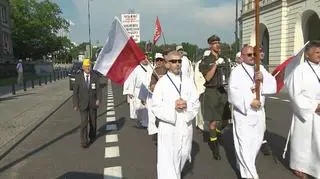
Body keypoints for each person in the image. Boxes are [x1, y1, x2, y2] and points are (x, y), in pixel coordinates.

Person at [228, 46, 276, 179]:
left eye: (254, 54)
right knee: (244, 144)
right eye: (249, 55)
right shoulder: (236, 72)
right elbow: (233, 92)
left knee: (256, 143)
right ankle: (250, 175)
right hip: (244, 113)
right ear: (242, 57)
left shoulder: (260, 69)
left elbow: (272, 86)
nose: (252, 57)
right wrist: (249, 101)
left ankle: (243, 164)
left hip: (259, 112)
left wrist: (263, 78)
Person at [152, 50, 200, 179]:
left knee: (184, 153)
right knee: (168, 158)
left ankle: (175, 175)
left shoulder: (188, 81)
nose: (177, 64)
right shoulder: (162, 83)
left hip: (185, 122)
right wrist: (173, 107)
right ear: (167, 64)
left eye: (179, 61)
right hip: (169, 126)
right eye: (173, 61)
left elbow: (195, 102)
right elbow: (155, 106)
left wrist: (187, 105)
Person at [285, 41, 320, 179]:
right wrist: (314, 106)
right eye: (317, 52)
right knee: (303, 141)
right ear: (307, 54)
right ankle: (299, 166)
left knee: (317, 141)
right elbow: (294, 94)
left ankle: (315, 167)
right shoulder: (300, 71)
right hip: (306, 111)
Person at [199, 35, 231, 160]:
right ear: (210, 46)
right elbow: (207, 77)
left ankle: (215, 135)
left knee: (224, 120)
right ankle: (215, 146)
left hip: (223, 91)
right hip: (212, 91)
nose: (218, 45)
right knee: (213, 121)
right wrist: (215, 65)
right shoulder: (206, 60)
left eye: (219, 42)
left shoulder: (224, 59)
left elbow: (229, 75)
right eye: (215, 43)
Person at [73, 59, 102, 148]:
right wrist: (75, 104)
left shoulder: (95, 76)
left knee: (93, 122)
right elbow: (75, 92)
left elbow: (99, 90)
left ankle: (92, 136)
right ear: (83, 67)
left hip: (93, 103)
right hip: (83, 104)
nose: (87, 68)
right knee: (84, 123)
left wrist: (98, 99)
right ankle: (84, 141)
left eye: (89, 66)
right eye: (86, 66)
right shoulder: (78, 77)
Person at [123, 54, 153, 128]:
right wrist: (130, 91)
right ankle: (139, 120)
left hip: (149, 90)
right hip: (138, 90)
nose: (145, 60)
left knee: (148, 107)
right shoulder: (136, 68)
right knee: (139, 107)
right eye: (144, 58)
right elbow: (132, 80)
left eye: (147, 58)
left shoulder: (151, 67)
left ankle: (146, 123)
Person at [194, 50, 210, 131]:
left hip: (210, 89)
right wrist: (199, 90)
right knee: (200, 109)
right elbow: (197, 78)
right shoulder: (199, 64)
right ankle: (200, 125)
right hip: (201, 90)